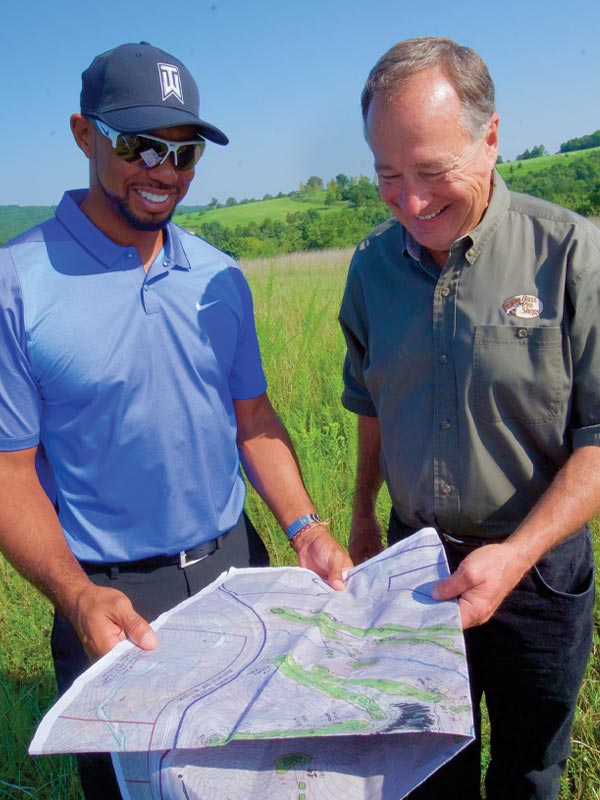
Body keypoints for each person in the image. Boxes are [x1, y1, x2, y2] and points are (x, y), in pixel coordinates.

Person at [0, 41, 352, 799]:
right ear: (82, 133)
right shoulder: (17, 285)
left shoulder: (221, 276)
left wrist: (307, 528)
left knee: (259, 772)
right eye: (138, 145)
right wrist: (77, 596)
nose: (163, 170)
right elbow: (8, 474)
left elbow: (253, 417)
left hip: (237, 570)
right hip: (113, 601)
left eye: (184, 152)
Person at [339, 36, 598, 800]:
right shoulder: (371, 268)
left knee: (528, 771)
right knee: (424, 774)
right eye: (389, 175)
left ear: (489, 138)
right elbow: (371, 402)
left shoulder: (571, 255)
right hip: (414, 569)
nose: (411, 203)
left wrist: (515, 556)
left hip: (538, 579)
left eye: (432, 172)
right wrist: (361, 518)